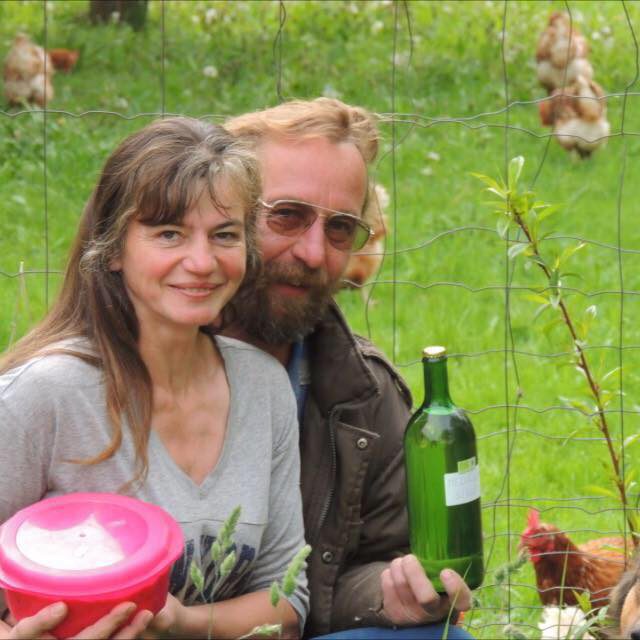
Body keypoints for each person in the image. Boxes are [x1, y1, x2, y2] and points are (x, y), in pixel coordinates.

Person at [0, 117, 309, 639]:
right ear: (112, 249)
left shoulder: (263, 385)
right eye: (169, 234)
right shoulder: (43, 395)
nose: (202, 261)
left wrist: (183, 621)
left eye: (224, 235)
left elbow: (288, 599)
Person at [224, 99, 474, 640]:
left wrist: (394, 593)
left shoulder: (363, 393)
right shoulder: (122, 368)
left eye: (341, 228)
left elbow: (373, 559)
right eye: (286, 215)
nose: (314, 253)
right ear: (222, 210)